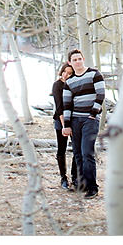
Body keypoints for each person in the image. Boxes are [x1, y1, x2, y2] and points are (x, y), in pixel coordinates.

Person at [61, 49, 105, 198]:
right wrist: (66, 125)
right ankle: (82, 184)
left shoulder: (94, 74)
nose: (78, 62)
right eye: (74, 60)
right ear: (70, 63)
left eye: (80, 59)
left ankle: (93, 187)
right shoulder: (69, 82)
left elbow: (100, 95)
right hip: (75, 120)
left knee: (87, 152)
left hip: (90, 120)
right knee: (78, 153)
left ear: (83, 59)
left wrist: (93, 114)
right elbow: (66, 104)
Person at [50, 62, 76, 190]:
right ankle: (63, 177)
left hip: (75, 120)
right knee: (62, 149)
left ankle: (75, 177)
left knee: (77, 149)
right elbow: (59, 108)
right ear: (61, 71)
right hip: (61, 120)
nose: (67, 75)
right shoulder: (57, 85)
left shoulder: (73, 84)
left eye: (70, 73)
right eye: (65, 72)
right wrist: (65, 126)